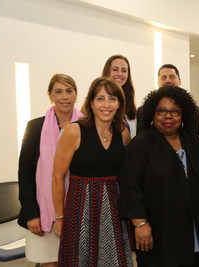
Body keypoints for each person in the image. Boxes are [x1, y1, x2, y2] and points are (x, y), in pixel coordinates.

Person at [119, 86, 199, 267]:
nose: (168, 116)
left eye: (175, 111)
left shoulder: (196, 143)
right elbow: (130, 187)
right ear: (152, 114)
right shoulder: (140, 145)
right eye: (161, 111)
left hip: (191, 228)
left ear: (183, 114)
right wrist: (140, 224)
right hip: (157, 228)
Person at [52, 77, 133, 266]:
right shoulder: (74, 131)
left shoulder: (123, 133)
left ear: (119, 104)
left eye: (112, 99)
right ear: (91, 102)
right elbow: (57, 177)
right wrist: (59, 218)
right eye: (100, 98)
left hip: (114, 212)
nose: (107, 105)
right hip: (80, 210)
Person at [18, 74, 83, 266]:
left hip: (77, 211)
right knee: (50, 263)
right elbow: (25, 174)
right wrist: (31, 214)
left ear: (76, 94)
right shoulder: (35, 127)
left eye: (69, 91)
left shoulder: (87, 126)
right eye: (59, 91)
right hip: (43, 213)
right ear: (50, 96)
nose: (64, 96)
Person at [82, 54, 137, 137]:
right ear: (107, 71)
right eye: (115, 69)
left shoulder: (129, 100)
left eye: (124, 70)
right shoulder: (94, 100)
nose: (119, 74)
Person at [136, 64, 199, 135]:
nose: (168, 81)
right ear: (158, 82)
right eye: (163, 77)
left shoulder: (194, 110)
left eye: (172, 77)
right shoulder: (142, 110)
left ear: (179, 81)